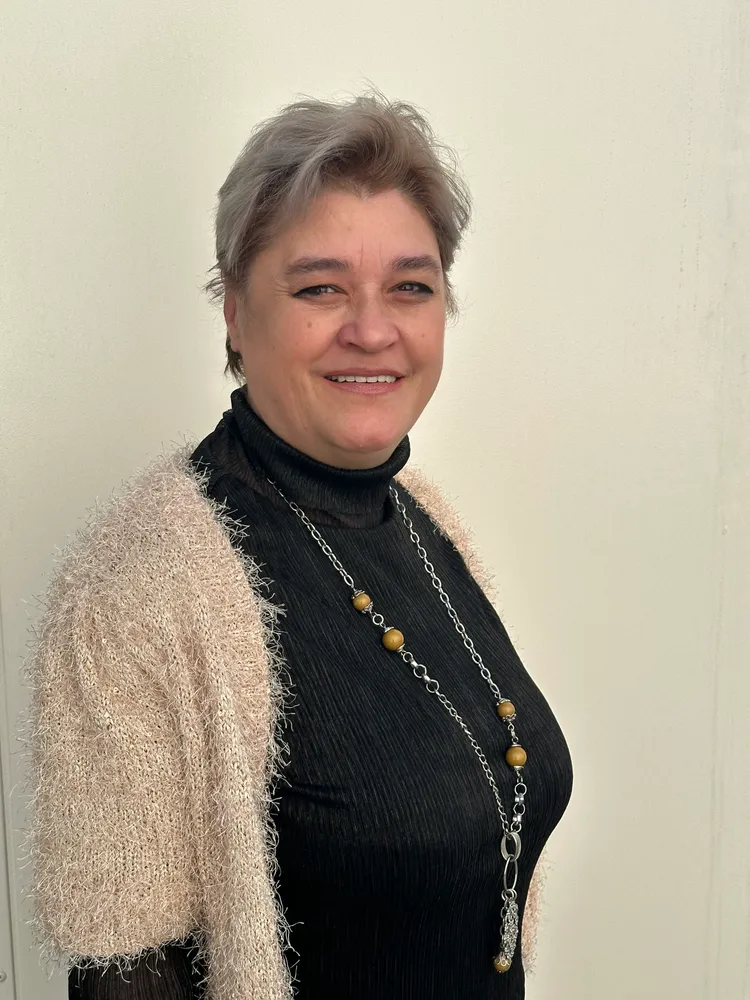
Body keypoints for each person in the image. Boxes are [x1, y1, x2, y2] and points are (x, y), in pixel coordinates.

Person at [25, 92, 573, 1000]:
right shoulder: (133, 592)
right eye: (320, 287)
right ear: (236, 312)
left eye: (411, 286)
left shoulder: (422, 520)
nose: (372, 329)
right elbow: (125, 973)